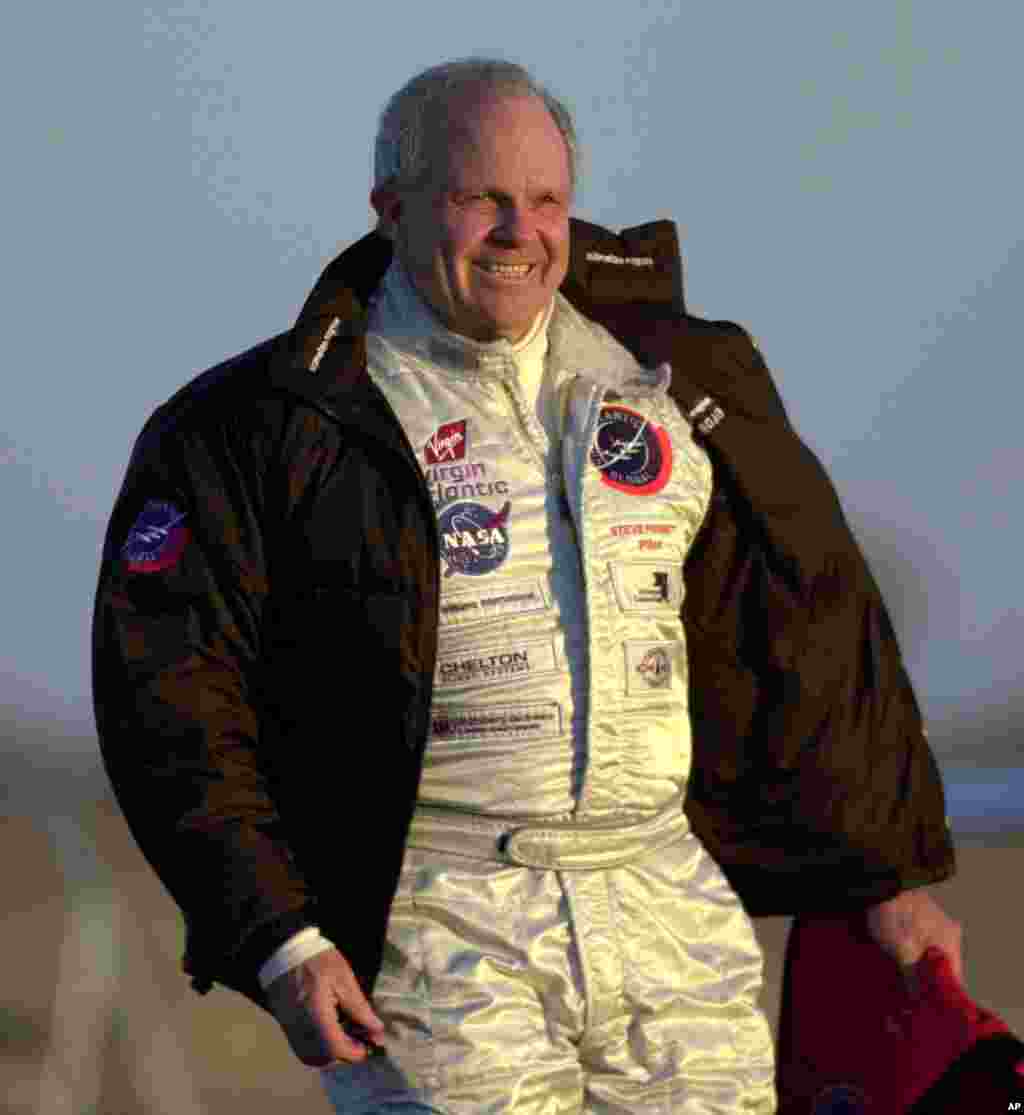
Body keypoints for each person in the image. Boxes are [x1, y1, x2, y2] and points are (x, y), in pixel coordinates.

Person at [92, 58, 962, 1114]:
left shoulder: (678, 381)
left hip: (666, 913)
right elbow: (172, 702)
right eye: (480, 199)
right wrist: (279, 935)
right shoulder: (266, 422)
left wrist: (883, 871)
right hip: (434, 927)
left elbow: (801, 627)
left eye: (544, 200)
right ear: (392, 208)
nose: (520, 231)